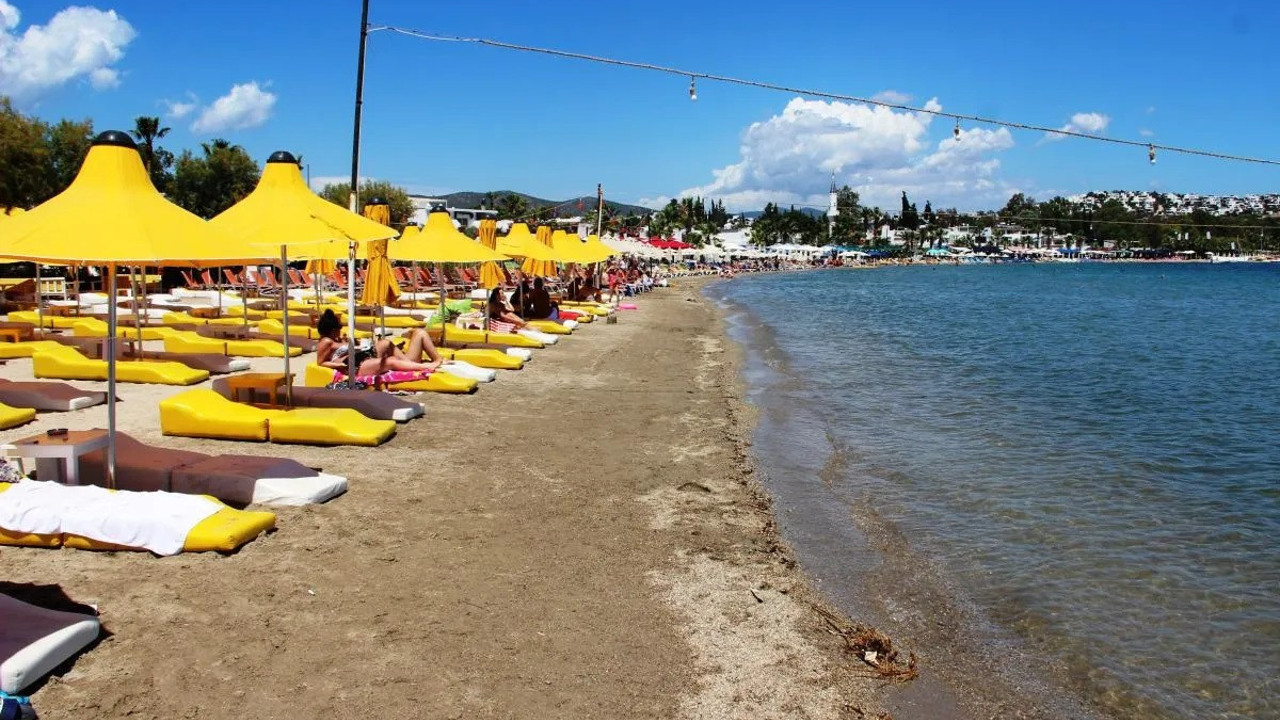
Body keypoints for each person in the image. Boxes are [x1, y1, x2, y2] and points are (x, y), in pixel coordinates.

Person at [315, 309, 442, 379]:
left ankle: (413, 362)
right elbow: (321, 362)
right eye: (338, 328)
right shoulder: (326, 341)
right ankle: (425, 366)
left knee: (386, 343)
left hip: (362, 356)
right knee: (390, 361)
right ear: (332, 330)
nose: (340, 330)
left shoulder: (336, 339)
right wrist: (339, 365)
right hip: (353, 365)